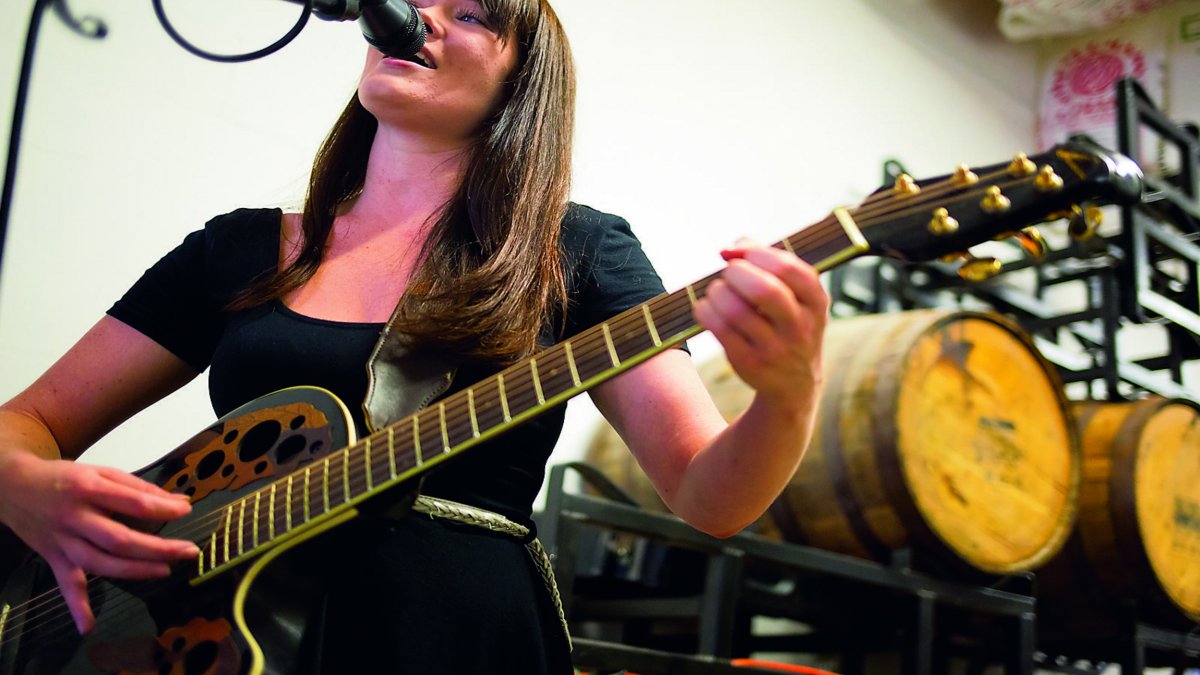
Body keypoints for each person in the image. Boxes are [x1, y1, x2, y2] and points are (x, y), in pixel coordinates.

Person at [0, 0, 828, 672]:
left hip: (450, 640)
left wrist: (790, 393)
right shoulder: (238, 250)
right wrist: (28, 489)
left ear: (521, 83)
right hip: (210, 644)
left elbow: (707, 495)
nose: (419, 14)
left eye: (470, 12)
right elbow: (29, 421)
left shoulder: (577, 252)